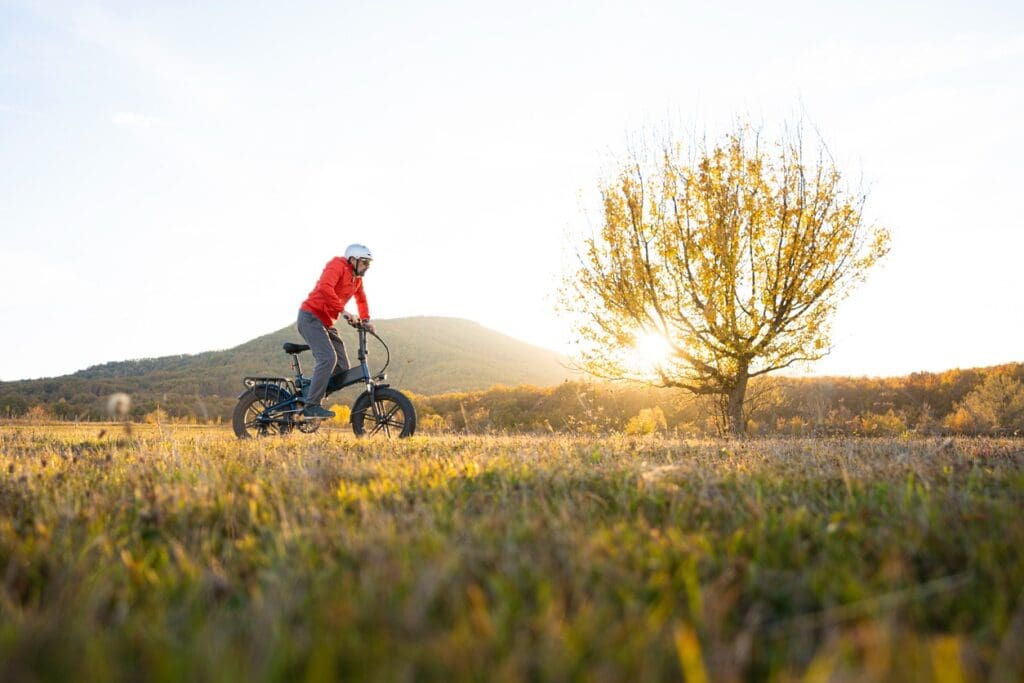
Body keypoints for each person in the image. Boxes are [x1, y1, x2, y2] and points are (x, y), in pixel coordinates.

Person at [296, 244, 377, 418]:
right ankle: (311, 405)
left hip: (325, 322)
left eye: (369, 263)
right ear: (353, 260)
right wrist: (344, 311)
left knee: (342, 366)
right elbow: (325, 288)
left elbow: (361, 300)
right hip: (310, 316)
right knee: (327, 358)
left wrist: (366, 320)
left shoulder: (357, 280)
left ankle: (309, 394)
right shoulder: (337, 265)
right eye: (364, 263)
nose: (367, 267)